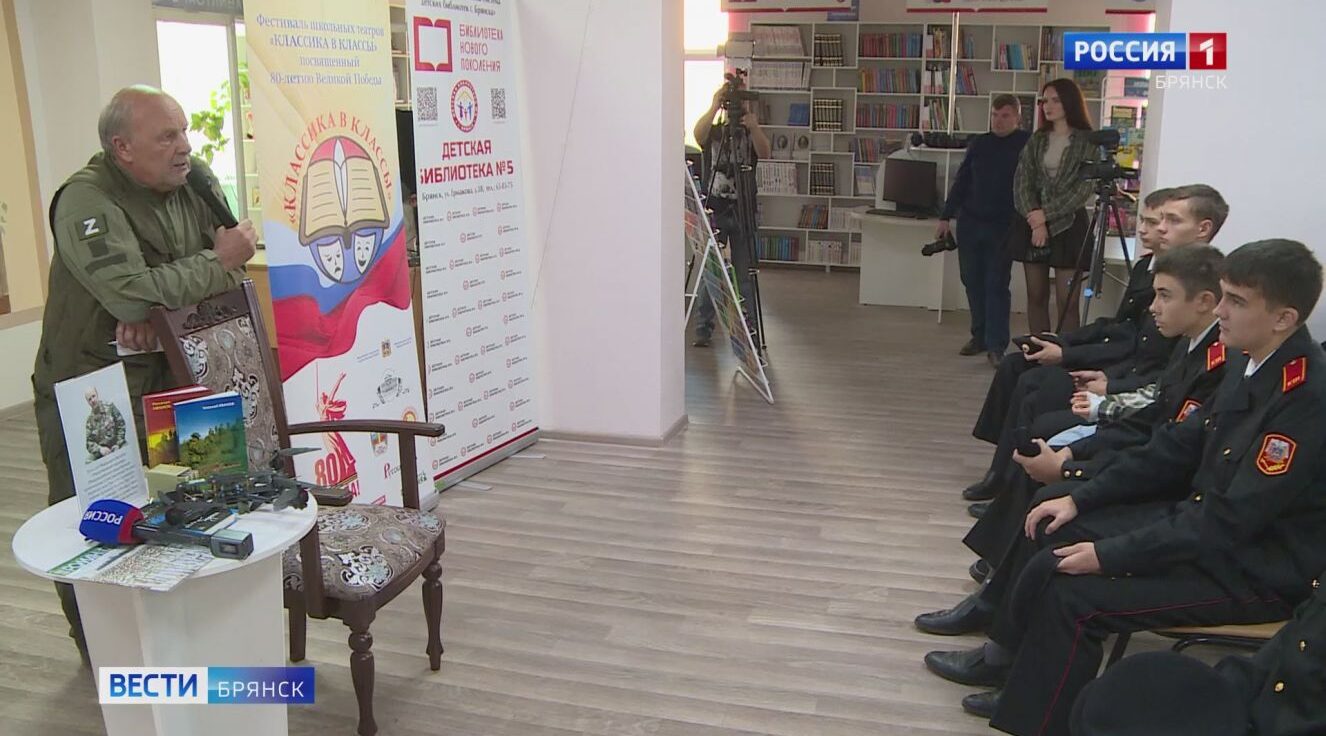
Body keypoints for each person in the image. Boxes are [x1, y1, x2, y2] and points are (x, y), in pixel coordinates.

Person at [923, 239, 1326, 736]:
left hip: (1257, 569)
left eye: (1236, 301)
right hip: (1206, 532)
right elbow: (1174, 447)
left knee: (1075, 595)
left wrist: (1109, 555)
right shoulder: (1252, 362)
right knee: (1055, 525)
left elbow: (1228, 521)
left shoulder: (1305, 399)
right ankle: (1004, 661)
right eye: (1222, 295)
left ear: (1284, 318)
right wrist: (1080, 495)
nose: (1220, 310)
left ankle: (1036, 719)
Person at [31, 85, 255, 663]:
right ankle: (106, 653)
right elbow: (138, 293)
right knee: (96, 516)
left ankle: (186, 638)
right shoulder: (85, 199)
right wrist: (192, 277)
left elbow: (235, 267)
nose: (185, 146)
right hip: (96, 387)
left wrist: (160, 311)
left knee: (197, 499)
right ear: (122, 147)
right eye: (167, 136)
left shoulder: (194, 179)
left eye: (184, 131)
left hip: (178, 371)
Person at [918, 245, 1228, 633]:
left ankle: (997, 615)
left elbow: (1168, 451)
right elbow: (1150, 418)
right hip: (1143, 448)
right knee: (1046, 443)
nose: (1153, 307)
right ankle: (997, 585)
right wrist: (1072, 454)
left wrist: (1073, 471)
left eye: (1164, 296)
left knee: (1051, 506)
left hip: (1165, 483)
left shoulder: (1219, 363)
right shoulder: (1192, 344)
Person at [964, 185, 1228, 506]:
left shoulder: (1197, 291)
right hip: (1121, 369)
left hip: (1128, 378)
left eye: (1170, 221)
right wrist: (1064, 342)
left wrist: (1101, 379)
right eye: (1152, 220)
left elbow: (1156, 370)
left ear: (1203, 229)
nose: (1157, 229)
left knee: (1035, 389)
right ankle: (1002, 471)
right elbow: (1120, 328)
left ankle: (1012, 482)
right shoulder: (1149, 269)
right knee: (1017, 363)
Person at [1072, 569, 1326, 736]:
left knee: (1073, 600)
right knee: (1107, 706)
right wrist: (1215, 695)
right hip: (1258, 708)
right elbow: (1287, 645)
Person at [936, 94, 1031, 366]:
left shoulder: (1026, 144)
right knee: (972, 281)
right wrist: (945, 216)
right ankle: (979, 336)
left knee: (996, 285)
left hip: (1003, 226)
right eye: (995, 115)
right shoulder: (979, 143)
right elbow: (962, 181)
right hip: (970, 223)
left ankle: (996, 345)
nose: (998, 121)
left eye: (1005, 116)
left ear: (1017, 118)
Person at [1009, 78, 1096, 335]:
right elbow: (1021, 182)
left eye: (1055, 100)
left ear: (1070, 102)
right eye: (1045, 100)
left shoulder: (1087, 141)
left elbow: (1082, 190)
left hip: (1069, 226)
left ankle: (1066, 354)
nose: (1048, 106)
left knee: (1067, 301)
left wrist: (1045, 216)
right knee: (1036, 295)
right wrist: (1035, 220)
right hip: (1032, 225)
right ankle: (1039, 350)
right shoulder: (1037, 139)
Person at [692, 72, 771, 347]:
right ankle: (703, 328)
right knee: (711, 271)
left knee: (744, 274)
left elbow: (765, 152)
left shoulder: (750, 133)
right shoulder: (715, 132)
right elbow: (698, 134)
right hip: (716, 209)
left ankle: (750, 333)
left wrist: (754, 126)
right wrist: (714, 106)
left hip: (743, 211)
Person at [83, 387, 127, 460]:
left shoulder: (110, 407)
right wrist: (100, 449)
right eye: (89, 399)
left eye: (93, 396)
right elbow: (89, 443)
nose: (93, 400)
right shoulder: (89, 421)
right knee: (88, 461)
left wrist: (118, 444)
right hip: (102, 452)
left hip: (117, 444)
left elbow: (121, 425)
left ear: (97, 395)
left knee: (127, 450)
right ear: (88, 402)